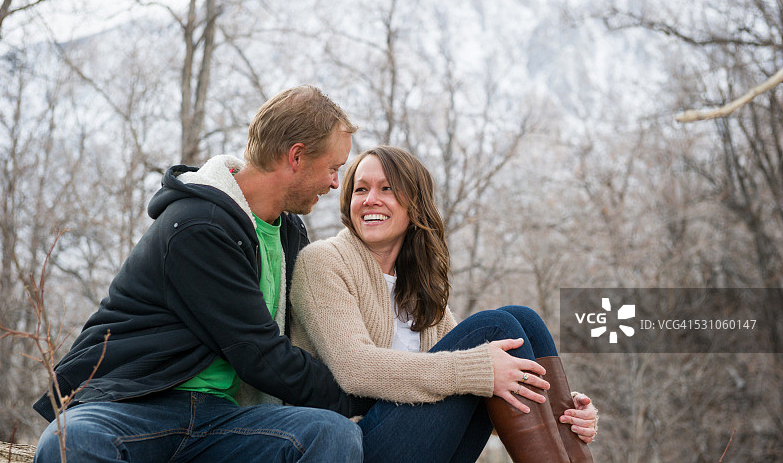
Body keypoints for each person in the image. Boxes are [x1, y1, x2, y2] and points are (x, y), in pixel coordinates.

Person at [33, 85, 373, 462]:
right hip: (134, 405)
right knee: (73, 440)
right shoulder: (199, 225)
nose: (334, 183)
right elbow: (260, 355)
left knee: (332, 435)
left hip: (220, 420)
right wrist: (364, 395)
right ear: (296, 157)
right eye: (333, 168)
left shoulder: (289, 233)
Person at [290, 145, 598, 463]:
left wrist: (558, 410)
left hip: (417, 445)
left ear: (415, 204)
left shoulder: (417, 287)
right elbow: (356, 369)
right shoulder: (323, 262)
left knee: (522, 319)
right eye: (361, 189)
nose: (370, 200)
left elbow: (473, 393)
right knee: (495, 329)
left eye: (387, 189)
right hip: (352, 448)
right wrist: (480, 369)